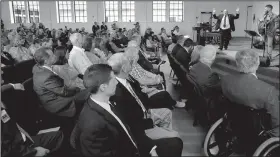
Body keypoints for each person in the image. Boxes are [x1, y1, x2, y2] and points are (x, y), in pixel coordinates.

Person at [72, 64, 142, 157]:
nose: (117, 83)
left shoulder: (112, 100)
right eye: (114, 80)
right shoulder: (93, 124)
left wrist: (150, 148)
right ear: (103, 87)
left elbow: (128, 128)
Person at [108, 53, 180, 140]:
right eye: (128, 62)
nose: (131, 63)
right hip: (140, 126)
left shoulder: (127, 78)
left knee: (167, 112)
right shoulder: (118, 92)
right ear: (124, 68)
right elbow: (132, 121)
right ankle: (165, 140)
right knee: (175, 135)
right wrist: (150, 122)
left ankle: (164, 140)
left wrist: (147, 108)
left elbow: (139, 94)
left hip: (145, 112)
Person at [221, 49, 279, 137]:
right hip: (257, 131)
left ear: (237, 63)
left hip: (234, 121)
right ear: (257, 64)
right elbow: (276, 121)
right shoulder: (269, 90)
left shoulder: (225, 80)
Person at [1, 82, 64, 157]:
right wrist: (33, 152)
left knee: (59, 134)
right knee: (59, 136)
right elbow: (4, 152)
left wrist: (12, 86)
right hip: (20, 148)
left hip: (20, 138)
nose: (2, 72)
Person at [33, 47, 83, 117]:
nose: (55, 56)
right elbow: (64, 92)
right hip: (56, 105)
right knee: (85, 95)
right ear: (46, 61)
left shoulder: (39, 67)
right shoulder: (46, 76)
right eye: (52, 55)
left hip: (55, 96)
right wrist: (77, 90)